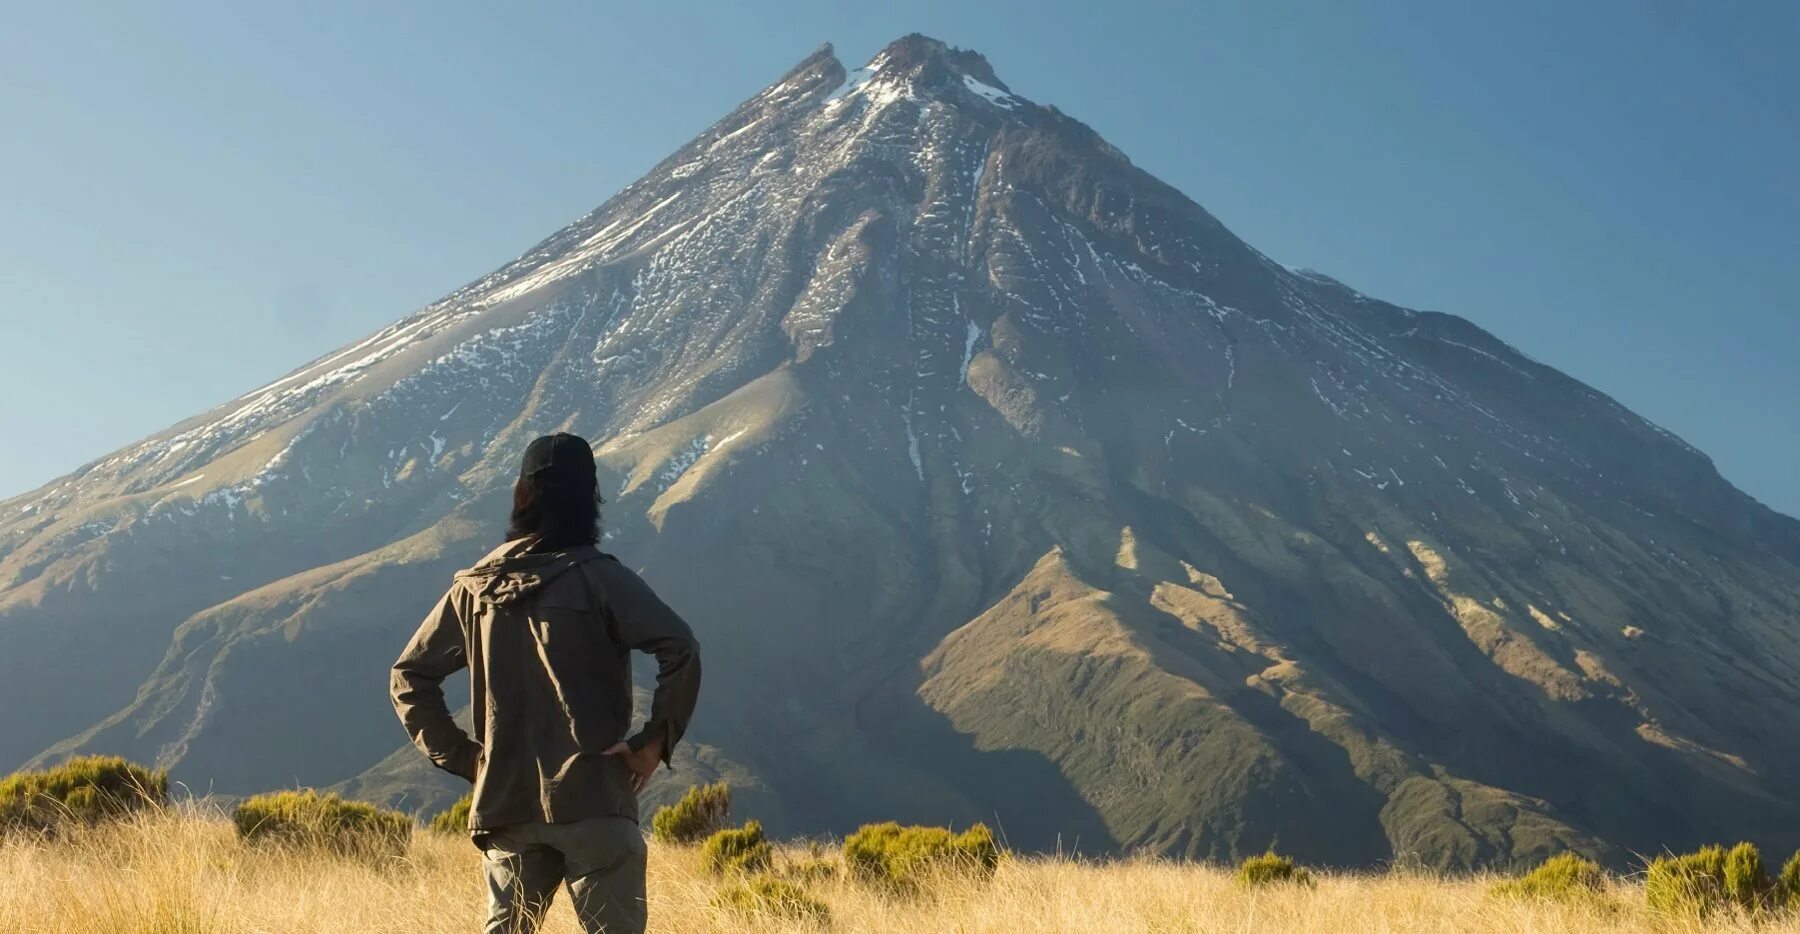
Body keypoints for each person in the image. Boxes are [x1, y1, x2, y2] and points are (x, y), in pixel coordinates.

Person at [391, 432, 702, 933]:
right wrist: (654, 742)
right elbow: (680, 648)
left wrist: (469, 759)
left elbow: (409, 676)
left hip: (505, 806)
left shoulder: (474, 589)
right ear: (590, 502)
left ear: (522, 496)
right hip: (594, 799)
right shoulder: (602, 579)